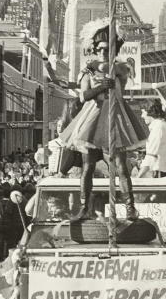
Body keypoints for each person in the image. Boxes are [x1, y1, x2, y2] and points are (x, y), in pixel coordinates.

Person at [57, 19, 148, 221]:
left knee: (121, 166)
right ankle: (84, 207)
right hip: (92, 117)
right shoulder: (88, 70)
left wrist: (113, 75)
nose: (103, 52)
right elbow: (83, 96)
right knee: (88, 165)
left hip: (115, 115)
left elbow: (120, 90)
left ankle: (130, 207)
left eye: (108, 48)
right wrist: (100, 87)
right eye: (100, 48)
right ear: (94, 49)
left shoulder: (121, 69)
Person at [138, 100, 166, 178]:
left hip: (161, 174)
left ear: (150, 112)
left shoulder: (158, 127)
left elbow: (151, 156)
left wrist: (137, 178)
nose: (142, 116)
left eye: (143, 112)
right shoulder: (164, 125)